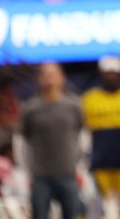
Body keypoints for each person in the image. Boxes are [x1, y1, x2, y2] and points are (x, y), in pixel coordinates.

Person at [81, 56, 120, 219]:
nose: (111, 76)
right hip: (100, 164)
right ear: (101, 74)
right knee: (98, 211)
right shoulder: (89, 99)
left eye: (114, 73)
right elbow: (84, 132)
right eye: (108, 73)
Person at [18, 62, 83, 219]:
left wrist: (81, 166)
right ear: (39, 79)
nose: (49, 79)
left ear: (62, 78)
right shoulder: (30, 108)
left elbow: (83, 136)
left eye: (53, 74)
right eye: (45, 75)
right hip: (41, 176)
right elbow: (21, 141)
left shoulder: (74, 105)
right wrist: (24, 170)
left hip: (69, 174)